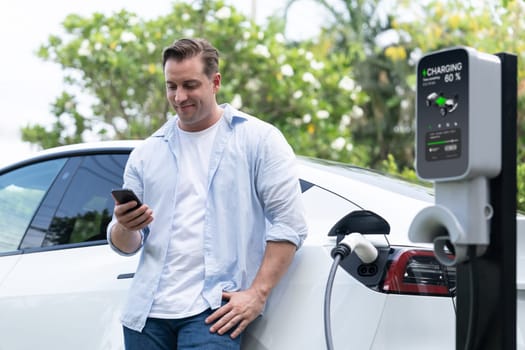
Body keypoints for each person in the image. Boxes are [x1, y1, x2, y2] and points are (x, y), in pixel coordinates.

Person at [106, 37, 308, 350]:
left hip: (213, 312)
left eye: (190, 85)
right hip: (145, 316)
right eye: (171, 86)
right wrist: (124, 226)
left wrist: (257, 294)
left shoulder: (259, 140)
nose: (179, 96)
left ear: (215, 82)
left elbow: (289, 223)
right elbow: (127, 245)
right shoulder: (146, 153)